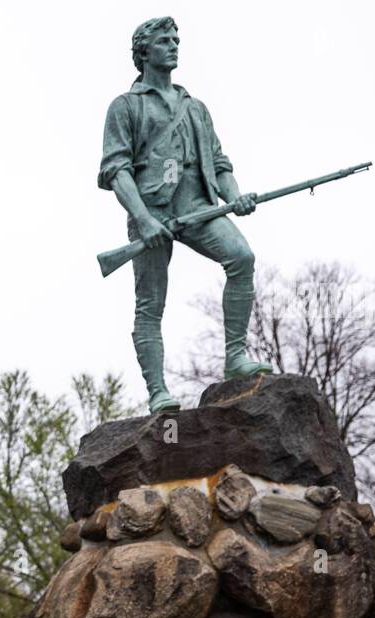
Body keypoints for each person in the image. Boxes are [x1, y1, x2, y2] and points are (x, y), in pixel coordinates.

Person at [98, 16, 274, 414]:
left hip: (197, 207)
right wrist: (143, 219)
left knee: (242, 257)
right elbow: (115, 170)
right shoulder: (125, 107)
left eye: (177, 39)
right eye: (164, 40)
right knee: (150, 305)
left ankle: (235, 357)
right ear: (144, 51)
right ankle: (158, 391)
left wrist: (235, 197)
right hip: (152, 213)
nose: (174, 45)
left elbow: (218, 161)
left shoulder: (196, 107)